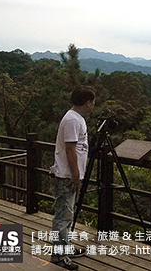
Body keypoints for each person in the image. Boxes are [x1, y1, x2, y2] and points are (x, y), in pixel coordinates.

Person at [50, 86, 95, 270]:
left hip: (69, 175)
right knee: (62, 216)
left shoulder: (76, 118)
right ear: (88, 102)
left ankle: (64, 249)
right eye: (93, 101)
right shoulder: (72, 120)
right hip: (66, 176)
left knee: (66, 215)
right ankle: (59, 256)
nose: (94, 104)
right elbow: (70, 148)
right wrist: (76, 174)